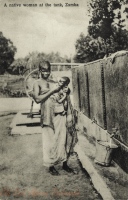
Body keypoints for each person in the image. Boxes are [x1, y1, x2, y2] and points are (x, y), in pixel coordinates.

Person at [33, 60, 76, 175]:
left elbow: (64, 89)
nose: (46, 73)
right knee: (49, 142)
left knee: (62, 139)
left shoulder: (54, 81)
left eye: (48, 71)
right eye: (44, 71)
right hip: (47, 116)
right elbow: (37, 99)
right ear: (40, 71)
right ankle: (51, 166)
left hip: (60, 114)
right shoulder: (37, 83)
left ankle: (65, 164)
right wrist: (52, 91)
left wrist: (66, 90)